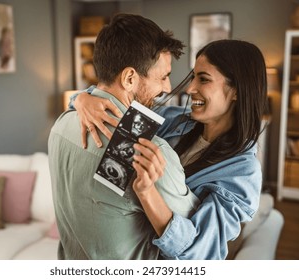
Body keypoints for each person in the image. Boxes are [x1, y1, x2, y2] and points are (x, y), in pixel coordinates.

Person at [72, 39, 268, 259]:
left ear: (237, 91)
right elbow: (114, 104)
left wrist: (147, 193)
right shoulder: (172, 119)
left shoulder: (242, 172)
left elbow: (201, 254)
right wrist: (81, 99)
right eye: (193, 77)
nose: (190, 88)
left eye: (203, 79)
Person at [48, 13, 199, 260]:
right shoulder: (149, 154)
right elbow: (192, 242)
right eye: (162, 77)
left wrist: (81, 97)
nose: (168, 87)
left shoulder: (61, 125)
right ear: (130, 78)